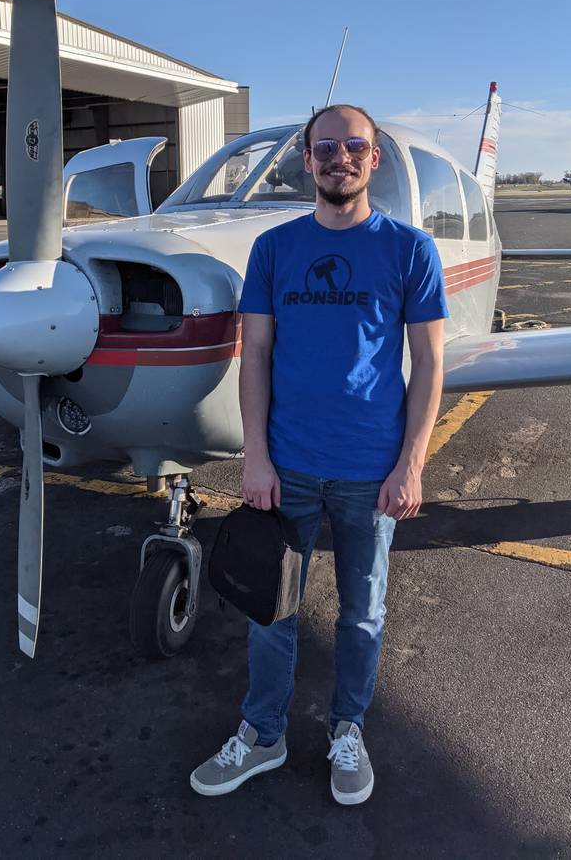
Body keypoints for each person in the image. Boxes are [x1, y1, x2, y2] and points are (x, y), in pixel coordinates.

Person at [190, 104, 447, 804]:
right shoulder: (274, 249)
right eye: (326, 147)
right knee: (270, 608)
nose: (340, 158)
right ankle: (263, 733)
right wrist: (255, 458)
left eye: (354, 146)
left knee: (362, 614)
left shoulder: (411, 250)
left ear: (374, 159)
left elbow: (429, 363)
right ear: (306, 161)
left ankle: (348, 729)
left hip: (373, 469)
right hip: (290, 466)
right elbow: (255, 355)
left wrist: (412, 463)